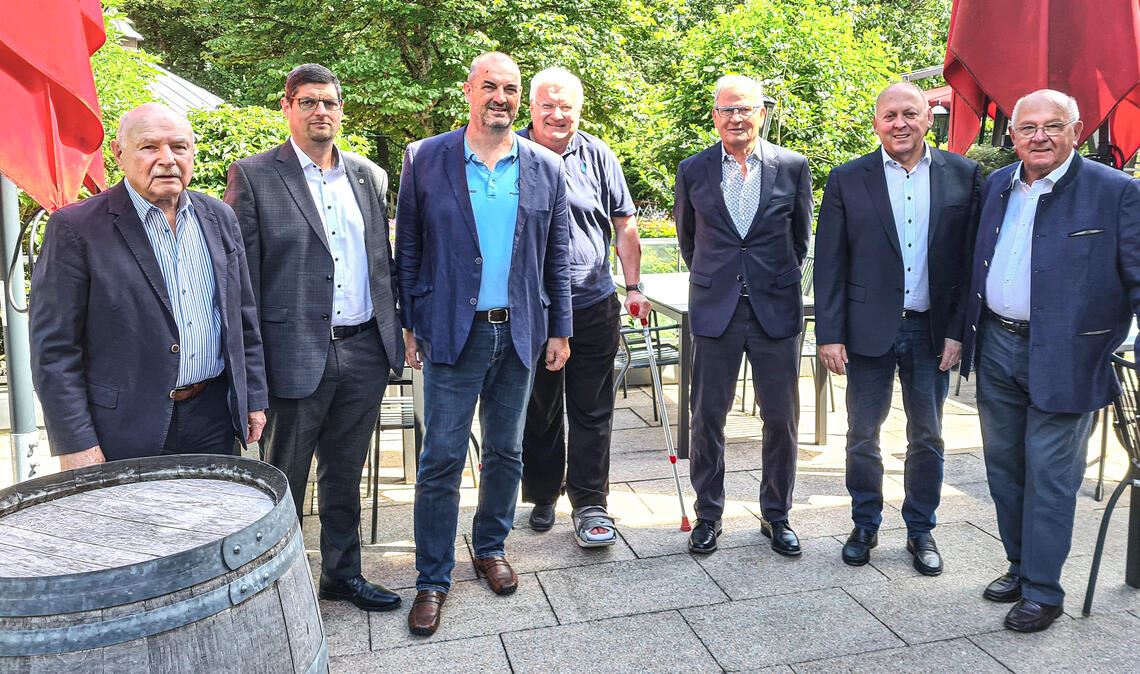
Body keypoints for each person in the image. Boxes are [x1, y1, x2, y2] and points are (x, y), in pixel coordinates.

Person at [396, 52, 571, 637]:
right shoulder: (425, 159)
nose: (501, 97)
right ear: (468, 91)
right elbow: (410, 250)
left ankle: (491, 547)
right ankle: (432, 578)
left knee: (506, 452)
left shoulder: (545, 165)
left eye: (511, 89)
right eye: (490, 87)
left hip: (519, 331)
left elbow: (557, 257)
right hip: (453, 331)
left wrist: (561, 327)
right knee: (441, 458)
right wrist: (408, 323)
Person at [224, 64, 404, 613]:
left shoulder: (369, 176)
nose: (320, 111)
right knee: (285, 478)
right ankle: (274, 588)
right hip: (293, 356)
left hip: (363, 349)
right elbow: (242, 281)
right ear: (287, 107)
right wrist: (252, 369)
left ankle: (342, 575)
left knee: (346, 473)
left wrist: (393, 336)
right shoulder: (253, 176)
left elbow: (382, 264)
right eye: (308, 102)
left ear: (341, 109)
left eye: (329, 102)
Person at [960, 89, 1140, 632]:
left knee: (1051, 474)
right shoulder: (995, 185)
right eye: (1028, 127)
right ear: (1012, 134)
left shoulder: (1115, 192)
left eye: (1053, 126)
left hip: (1070, 354)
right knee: (1005, 470)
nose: (1039, 136)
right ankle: (1019, 567)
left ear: (1077, 129)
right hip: (996, 346)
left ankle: (1043, 590)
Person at [31, 103, 267, 469]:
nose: (168, 159)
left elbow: (241, 318)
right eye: (150, 147)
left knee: (212, 524)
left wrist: (252, 397)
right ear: (119, 153)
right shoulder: (76, 229)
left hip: (212, 417)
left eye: (179, 146)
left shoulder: (219, 216)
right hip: (123, 428)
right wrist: (75, 442)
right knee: (131, 527)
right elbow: (55, 350)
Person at [814, 82, 982, 575]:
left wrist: (958, 331)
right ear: (876, 124)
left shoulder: (963, 175)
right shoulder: (848, 178)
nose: (900, 123)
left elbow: (970, 262)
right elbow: (830, 261)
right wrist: (829, 332)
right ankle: (865, 523)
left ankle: (920, 529)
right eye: (889, 115)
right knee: (863, 435)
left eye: (910, 113)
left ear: (930, 119)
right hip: (865, 331)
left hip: (932, 332)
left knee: (927, 435)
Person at [674, 75, 812, 557]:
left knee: (781, 419)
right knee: (707, 417)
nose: (736, 117)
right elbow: (689, 243)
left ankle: (777, 515)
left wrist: (766, 278)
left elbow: (799, 240)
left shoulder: (792, 167)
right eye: (727, 109)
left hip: (775, 310)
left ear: (762, 113)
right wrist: (724, 279)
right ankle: (708, 515)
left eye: (745, 109)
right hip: (716, 311)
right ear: (715, 116)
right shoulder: (692, 170)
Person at [518, 67, 652, 546]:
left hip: (593, 302)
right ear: (531, 108)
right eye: (548, 105)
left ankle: (591, 502)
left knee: (593, 408)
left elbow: (624, 226)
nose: (557, 114)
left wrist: (633, 286)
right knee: (540, 407)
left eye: (567, 107)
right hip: (532, 307)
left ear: (579, 110)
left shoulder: (597, 154)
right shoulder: (511, 154)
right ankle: (541, 493)